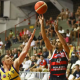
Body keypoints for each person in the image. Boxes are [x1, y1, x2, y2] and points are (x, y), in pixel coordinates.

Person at [39, 15, 70, 80]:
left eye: (58, 42)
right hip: (53, 77)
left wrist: (57, 31)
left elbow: (64, 44)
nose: (56, 43)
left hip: (63, 78)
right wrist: (42, 24)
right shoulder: (52, 50)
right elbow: (45, 38)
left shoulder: (66, 51)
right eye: (56, 41)